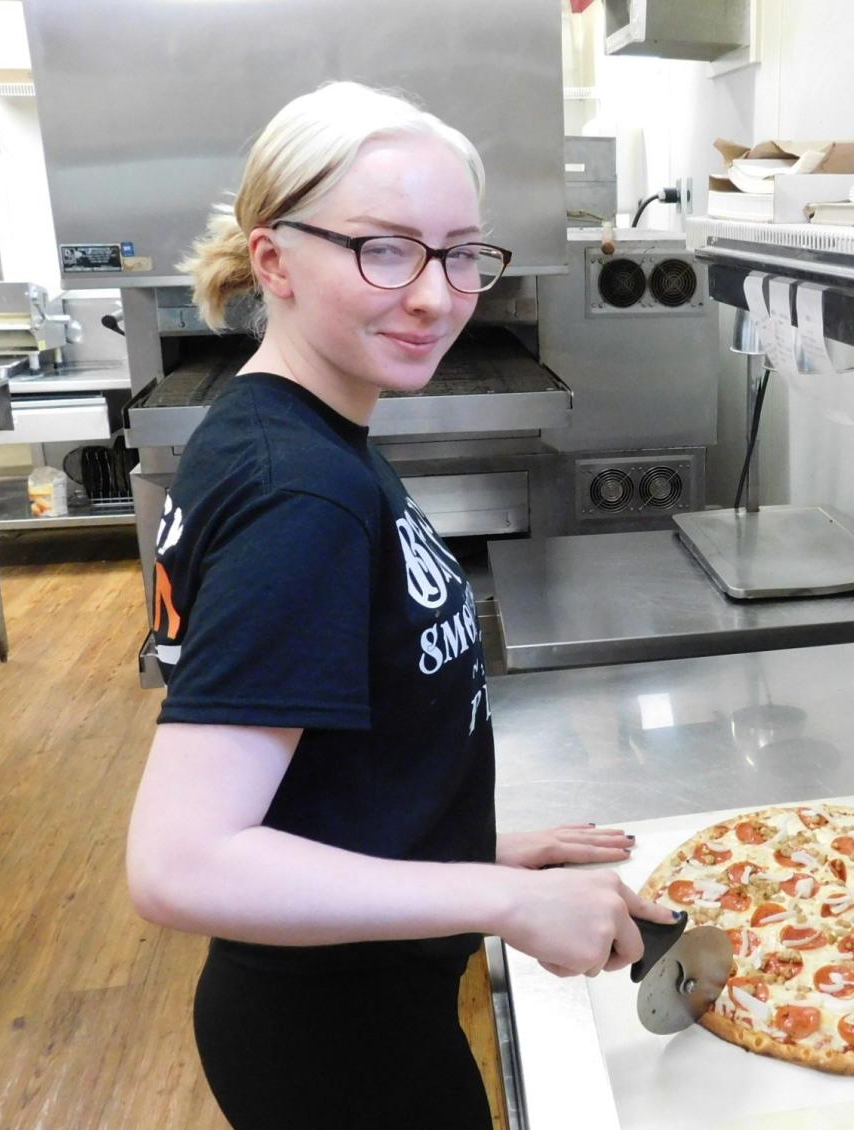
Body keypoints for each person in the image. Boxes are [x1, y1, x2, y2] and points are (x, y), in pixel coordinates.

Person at [126, 81, 675, 1130]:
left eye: (461, 251)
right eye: (384, 248)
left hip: (355, 998)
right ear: (275, 258)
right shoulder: (301, 491)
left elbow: (320, 765)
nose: (436, 294)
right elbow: (179, 861)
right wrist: (501, 898)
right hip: (337, 1042)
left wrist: (467, 842)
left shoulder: (288, 427)